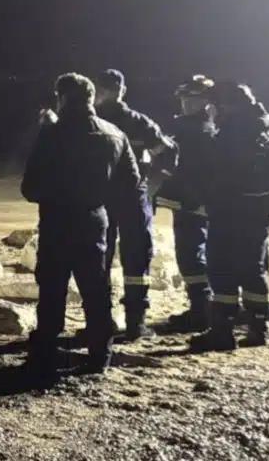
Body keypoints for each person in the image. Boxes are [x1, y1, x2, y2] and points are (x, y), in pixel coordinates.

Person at [21, 73, 142, 383]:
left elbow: (30, 188)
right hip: (94, 220)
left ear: (61, 98)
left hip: (58, 221)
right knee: (96, 289)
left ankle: (46, 353)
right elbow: (131, 184)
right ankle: (100, 356)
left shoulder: (52, 135)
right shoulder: (114, 133)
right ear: (91, 98)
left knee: (52, 288)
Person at [190, 83, 269, 351]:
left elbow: (218, 175)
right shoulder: (263, 131)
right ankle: (258, 328)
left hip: (229, 214)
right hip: (257, 214)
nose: (211, 111)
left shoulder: (231, 135)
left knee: (222, 270)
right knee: (253, 269)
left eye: (214, 106)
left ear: (226, 106)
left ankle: (222, 331)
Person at [94, 69, 176, 340]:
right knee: (131, 257)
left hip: (111, 196)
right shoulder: (136, 121)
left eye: (110, 88)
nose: (110, 93)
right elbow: (167, 153)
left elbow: (166, 153)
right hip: (126, 195)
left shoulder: (95, 121)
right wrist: (153, 184)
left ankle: (107, 322)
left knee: (106, 257)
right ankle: (131, 323)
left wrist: (153, 185)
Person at [156, 75, 217, 332]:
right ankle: (201, 307)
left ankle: (201, 311)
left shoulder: (198, 130)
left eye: (191, 98)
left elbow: (192, 169)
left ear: (205, 101)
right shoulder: (200, 127)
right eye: (183, 98)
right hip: (192, 201)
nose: (185, 103)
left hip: (193, 203)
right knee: (193, 254)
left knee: (191, 255)